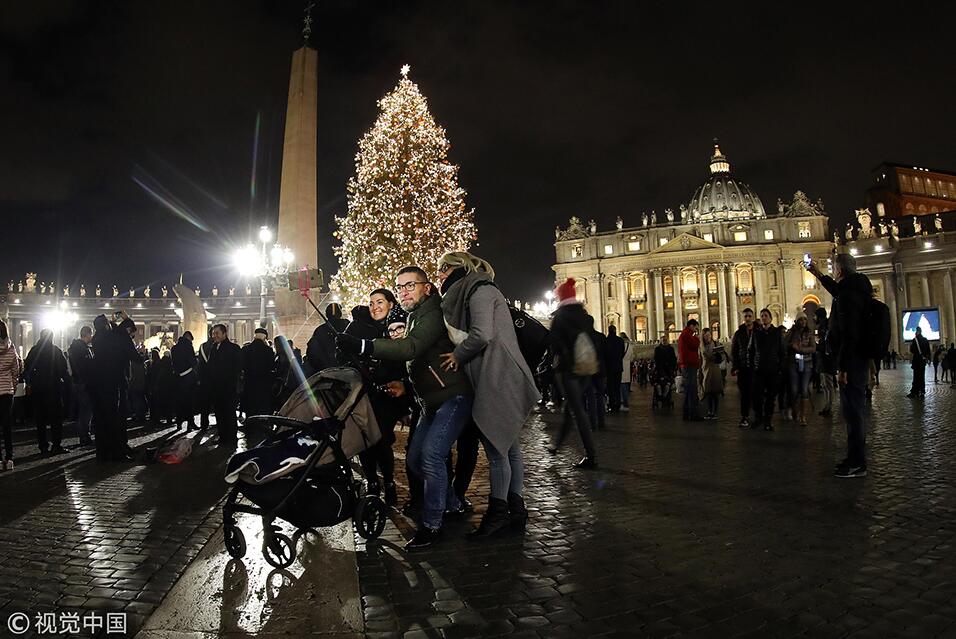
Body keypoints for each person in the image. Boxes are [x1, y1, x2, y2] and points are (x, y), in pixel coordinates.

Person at [337, 266, 473, 551]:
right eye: (400, 287)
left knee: (432, 456)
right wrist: (405, 385)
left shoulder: (432, 312)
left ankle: (432, 525)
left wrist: (363, 345)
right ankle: (452, 502)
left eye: (410, 285)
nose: (404, 292)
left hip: (452, 396)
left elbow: (411, 348)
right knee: (414, 460)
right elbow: (417, 362)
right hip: (430, 402)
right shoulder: (414, 316)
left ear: (427, 287)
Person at [436, 251, 540, 539]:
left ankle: (497, 514)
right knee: (510, 448)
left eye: (443, 268)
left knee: (496, 450)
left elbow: (481, 334)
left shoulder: (479, 289)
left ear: (459, 267)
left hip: (497, 376)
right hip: (497, 373)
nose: (440, 274)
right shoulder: (477, 289)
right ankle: (516, 510)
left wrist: (457, 355)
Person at [806, 253, 873, 478]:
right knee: (853, 411)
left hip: (851, 362)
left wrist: (842, 368)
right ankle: (854, 457)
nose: (833, 272)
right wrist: (818, 274)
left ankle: (857, 463)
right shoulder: (856, 289)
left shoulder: (848, 297)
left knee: (853, 413)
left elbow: (849, 335)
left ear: (840, 270)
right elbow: (837, 290)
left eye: (833, 269)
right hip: (857, 359)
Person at [343, 293, 409, 506]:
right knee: (364, 441)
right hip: (365, 394)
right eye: (371, 303)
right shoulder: (361, 327)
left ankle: (388, 482)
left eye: (380, 302)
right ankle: (372, 481)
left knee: (380, 439)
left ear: (391, 304)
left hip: (388, 396)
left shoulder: (398, 325)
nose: (374, 307)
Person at [546, 278, 598, 469]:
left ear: (561, 297)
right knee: (571, 407)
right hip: (586, 367)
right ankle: (556, 445)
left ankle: (591, 455)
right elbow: (594, 339)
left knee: (577, 410)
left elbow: (553, 342)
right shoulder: (584, 316)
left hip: (568, 369)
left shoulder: (560, 317)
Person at [89, 313, 141, 462]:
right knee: (117, 418)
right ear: (106, 325)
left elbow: (121, 332)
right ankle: (118, 452)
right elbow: (127, 337)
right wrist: (125, 318)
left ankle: (104, 452)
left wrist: (116, 324)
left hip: (100, 382)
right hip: (115, 382)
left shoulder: (97, 338)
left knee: (102, 418)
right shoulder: (113, 337)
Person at [22, 329, 70, 455]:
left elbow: (27, 368)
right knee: (56, 419)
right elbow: (63, 369)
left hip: (38, 389)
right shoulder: (56, 351)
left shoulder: (34, 351)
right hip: (54, 389)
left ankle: (43, 446)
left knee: (40, 420)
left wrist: (31, 382)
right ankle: (56, 445)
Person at [206, 324, 242, 446]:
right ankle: (222, 436)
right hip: (216, 387)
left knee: (229, 413)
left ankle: (231, 437)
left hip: (228, 387)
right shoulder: (213, 348)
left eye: (217, 333)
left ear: (224, 333)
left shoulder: (234, 348)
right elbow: (210, 366)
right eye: (213, 333)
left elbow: (238, 367)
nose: (214, 336)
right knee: (219, 413)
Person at [751, 309, 785, 431]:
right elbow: (751, 350)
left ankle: (768, 421)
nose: (763, 318)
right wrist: (753, 366)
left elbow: (782, 352)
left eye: (765, 315)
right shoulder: (756, 333)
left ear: (771, 318)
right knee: (757, 397)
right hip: (759, 369)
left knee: (771, 398)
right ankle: (758, 418)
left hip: (772, 369)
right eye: (762, 316)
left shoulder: (776, 333)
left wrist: (780, 368)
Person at [786, 313, 816, 427]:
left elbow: (813, 348)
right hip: (793, 363)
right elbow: (784, 343)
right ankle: (795, 410)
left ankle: (803, 416)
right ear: (796, 321)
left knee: (804, 389)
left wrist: (801, 350)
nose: (803, 321)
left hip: (806, 363)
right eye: (800, 319)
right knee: (794, 390)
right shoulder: (791, 332)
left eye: (804, 319)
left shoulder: (809, 333)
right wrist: (791, 345)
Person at [68, 326, 96, 445]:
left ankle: (84, 434)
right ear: (88, 334)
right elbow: (86, 367)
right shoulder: (82, 349)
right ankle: (85, 435)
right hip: (84, 382)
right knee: (86, 410)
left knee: (84, 410)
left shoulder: (75, 348)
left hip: (78, 382)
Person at [240, 328, 276, 419]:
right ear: (264, 337)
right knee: (262, 408)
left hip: (249, 383)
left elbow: (242, 366)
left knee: (250, 409)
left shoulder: (245, 349)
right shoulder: (268, 350)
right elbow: (272, 366)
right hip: (263, 385)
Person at [0, 320, 22, 470]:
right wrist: (12, 385)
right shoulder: (11, 348)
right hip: (7, 391)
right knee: (7, 425)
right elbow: (16, 370)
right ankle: (9, 458)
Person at [731, 308, 757, 428]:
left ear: (753, 317)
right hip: (743, 367)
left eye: (749, 316)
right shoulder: (738, 333)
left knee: (756, 392)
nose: (747, 318)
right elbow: (734, 351)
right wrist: (735, 367)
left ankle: (757, 415)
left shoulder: (758, 331)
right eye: (745, 316)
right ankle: (745, 416)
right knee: (744, 393)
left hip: (756, 367)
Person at [306, 303, 350, 374]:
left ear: (327, 314)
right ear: (340, 313)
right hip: (345, 370)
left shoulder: (320, 330)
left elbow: (312, 353)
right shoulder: (347, 325)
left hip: (328, 371)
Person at [170, 331, 198, 430]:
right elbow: (193, 362)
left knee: (179, 401)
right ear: (188, 338)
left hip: (177, 378)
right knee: (189, 401)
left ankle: (179, 422)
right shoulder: (188, 347)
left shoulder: (174, 348)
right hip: (188, 376)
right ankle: (190, 423)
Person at [677, 319, 702, 421]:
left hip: (687, 364)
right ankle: (692, 414)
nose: (696, 330)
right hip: (689, 364)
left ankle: (687, 413)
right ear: (691, 325)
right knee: (692, 390)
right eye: (696, 327)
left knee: (688, 390)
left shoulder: (684, 334)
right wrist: (697, 338)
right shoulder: (687, 335)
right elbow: (694, 345)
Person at [586, 321, 607, 429]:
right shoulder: (601, 336)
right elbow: (606, 354)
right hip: (600, 369)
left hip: (588, 370)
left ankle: (592, 422)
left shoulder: (583, 337)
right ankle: (601, 421)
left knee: (590, 397)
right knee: (600, 396)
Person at [815, 308, 836, 418]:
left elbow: (825, 344)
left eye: (815, 316)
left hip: (827, 359)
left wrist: (816, 346)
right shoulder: (823, 326)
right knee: (824, 384)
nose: (814, 318)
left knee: (828, 384)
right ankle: (827, 405)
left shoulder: (825, 327)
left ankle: (829, 406)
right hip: (823, 359)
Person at [699, 328, 724, 420]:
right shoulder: (701, 346)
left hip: (715, 369)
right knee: (708, 392)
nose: (708, 337)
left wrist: (717, 356)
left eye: (709, 335)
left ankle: (715, 412)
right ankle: (709, 412)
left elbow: (722, 357)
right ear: (703, 337)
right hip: (705, 370)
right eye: (706, 335)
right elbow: (700, 359)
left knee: (715, 392)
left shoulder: (716, 344)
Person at [604, 325, 625, 412]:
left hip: (609, 367)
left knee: (610, 387)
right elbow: (622, 353)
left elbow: (604, 355)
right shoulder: (620, 340)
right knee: (617, 386)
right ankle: (618, 404)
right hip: (618, 367)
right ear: (615, 331)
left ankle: (612, 404)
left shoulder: (606, 341)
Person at [908, 326, 930, 398]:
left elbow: (912, 350)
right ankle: (922, 391)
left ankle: (915, 391)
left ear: (917, 332)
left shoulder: (915, 340)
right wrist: (927, 358)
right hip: (922, 361)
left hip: (916, 361)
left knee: (916, 377)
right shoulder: (925, 340)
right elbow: (928, 351)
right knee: (922, 376)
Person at [619, 332, 635, 412]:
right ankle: (625, 402)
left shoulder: (620, 345)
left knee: (621, 387)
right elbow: (632, 358)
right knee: (625, 385)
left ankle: (623, 403)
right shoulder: (630, 346)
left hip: (620, 366)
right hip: (627, 367)